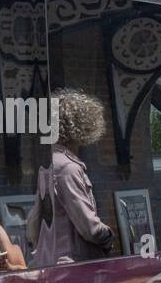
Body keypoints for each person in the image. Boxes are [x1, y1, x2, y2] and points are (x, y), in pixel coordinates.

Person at [26, 89, 115, 266]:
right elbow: (89, 227)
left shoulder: (49, 164)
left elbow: (35, 222)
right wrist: (109, 237)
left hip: (52, 263)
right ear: (82, 126)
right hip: (74, 266)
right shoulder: (68, 168)